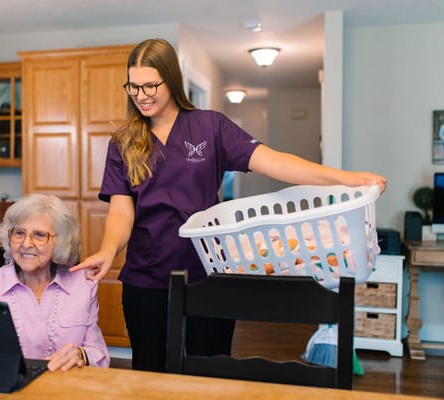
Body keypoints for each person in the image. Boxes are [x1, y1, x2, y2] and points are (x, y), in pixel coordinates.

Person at [71, 38, 387, 372]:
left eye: (151, 85)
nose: (141, 94)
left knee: (209, 374)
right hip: (146, 280)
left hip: (209, 277)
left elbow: (274, 162)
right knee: (151, 376)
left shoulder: (210, 126)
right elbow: (122, 209)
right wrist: (108, 251)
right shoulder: (123, 143)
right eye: (133, 86)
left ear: (171, 80)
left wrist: (346, 178)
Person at [0, 194, 110, 371]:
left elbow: (100, 355)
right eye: (19, 233)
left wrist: (81, 354)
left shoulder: (83, 285)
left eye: (39, 235)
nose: (27, 243)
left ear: (61, 241)